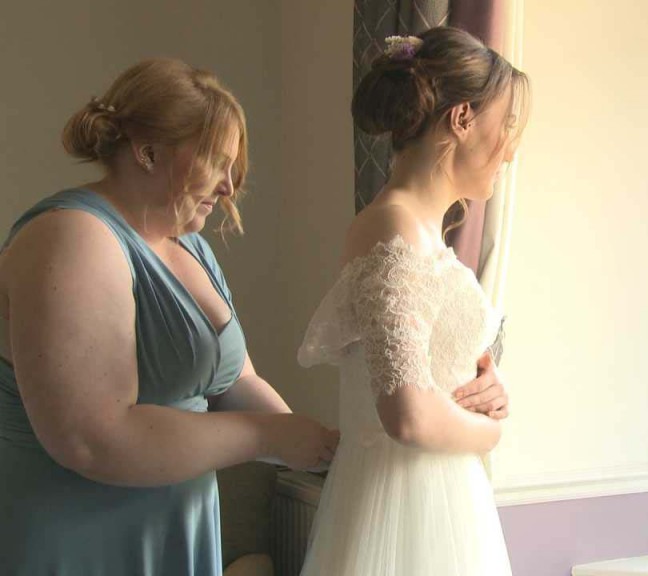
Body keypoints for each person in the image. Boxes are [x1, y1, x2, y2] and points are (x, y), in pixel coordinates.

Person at [0, 57, 506, 576]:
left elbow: (234, 379)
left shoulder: (188, 246)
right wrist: (269, 437)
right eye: (215, 162)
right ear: (149, 153)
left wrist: (333, 448)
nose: (228, 187)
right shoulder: (70, 238)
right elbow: (93, 438)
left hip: (179, 527)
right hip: (83, 540)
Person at [296, 26, 529, 575]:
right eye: (505, 126)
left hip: (445, 500)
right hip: (400, 506)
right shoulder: (391, 227)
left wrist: (486, 388)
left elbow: (430, 375)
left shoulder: (421, 232)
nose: (510, 153)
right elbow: (408, 415)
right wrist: (490, 432)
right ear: (463, 119)